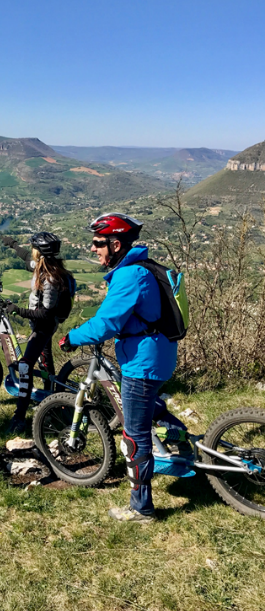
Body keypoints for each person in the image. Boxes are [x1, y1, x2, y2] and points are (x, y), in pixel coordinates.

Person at [59, 213, 178, 523]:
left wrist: (72, 337)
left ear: (115, 244)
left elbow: (106, 324)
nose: (93, 249)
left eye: (98, 244)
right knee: (147, 406)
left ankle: (141, 508)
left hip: (143, 362)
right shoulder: (141, 268)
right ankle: (180, 441)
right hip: (155, 354)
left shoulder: (129, 277)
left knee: (134, 435)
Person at [1, 232, 76, 434]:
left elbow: (46, 313)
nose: (31, 251)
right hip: (42, 325)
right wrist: (12, 243)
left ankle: (19, 416)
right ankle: (51, 403)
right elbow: (27, 258)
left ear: (40, 253)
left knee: (25, 366)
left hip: (44, 326)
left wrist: (18, 310)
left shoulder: (51, 278)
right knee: (45, 361)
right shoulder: (43, 266)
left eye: (34, 248)